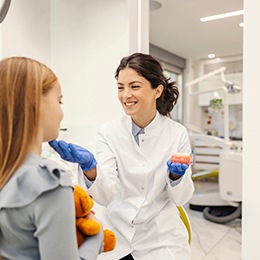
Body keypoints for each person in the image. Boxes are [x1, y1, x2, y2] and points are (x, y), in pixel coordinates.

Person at [49, 52, 195, 260]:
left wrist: (176, 177)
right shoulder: (108, 132)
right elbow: (106, 195)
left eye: (135, 86)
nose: (126, 95)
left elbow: (181, 197)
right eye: (120, 87)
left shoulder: (176, 133)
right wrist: (90, 167)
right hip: (118, 235)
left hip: (161, 239)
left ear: (157, 91)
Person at [0, 57, 104, 260]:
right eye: (59, 100)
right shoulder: (49, 182)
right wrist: (95, 239)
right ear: (35, 102)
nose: (61, 113)